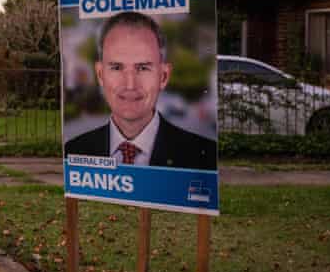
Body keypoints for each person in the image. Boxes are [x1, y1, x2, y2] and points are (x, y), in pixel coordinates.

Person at [64, 11, 216, 171]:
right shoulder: (74, 151)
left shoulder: (204, 158)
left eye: (143, 68)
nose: (130, 85)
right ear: (100, 75)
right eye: (116, 67)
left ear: (163, 76)